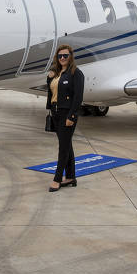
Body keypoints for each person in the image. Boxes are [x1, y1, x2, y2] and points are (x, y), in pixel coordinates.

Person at [45, 44, 84, 192]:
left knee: (63, 148)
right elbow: (53, 92)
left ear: (70, 57)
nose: (62, 58)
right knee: (66, 144)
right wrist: (49, 80)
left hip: (67, 114)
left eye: (65, 56)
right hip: (56, 113)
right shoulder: (56, 73)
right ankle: (71, 176)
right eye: (60, 56)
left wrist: (72, 116)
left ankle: (57, 179)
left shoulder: (76, 73)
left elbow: (78, 97)